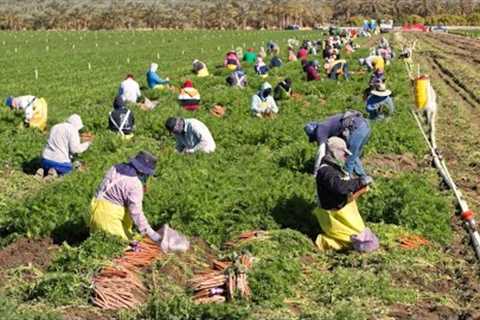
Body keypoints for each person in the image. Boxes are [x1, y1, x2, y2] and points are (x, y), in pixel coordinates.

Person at [314, 137, 378, 252]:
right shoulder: (326, 171)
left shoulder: (334, 168)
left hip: (343, 211)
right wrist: (360, 181)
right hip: (334, 215)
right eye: (344, 153)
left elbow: (344, 185)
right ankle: (324, 241)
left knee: (361, 237)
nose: (346, 156)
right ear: (335, 151)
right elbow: (340, 187)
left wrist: (359, 186)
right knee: (353, 241)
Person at [89, 151, 162, 242]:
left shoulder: (116, 167)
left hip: (95, 210)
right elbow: (136, 212)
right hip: (109, 219)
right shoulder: (135, 184)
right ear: (143, 172)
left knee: (124, 241)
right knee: (122, 249)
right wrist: (150, 233)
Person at [304, 110, 371, 178]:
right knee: (353, 156)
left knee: (349, 157)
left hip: (357, 129)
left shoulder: (320, 129)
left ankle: (348, 180)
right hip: (365, 126)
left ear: (314, 133)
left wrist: (316, 172)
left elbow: (321, 152)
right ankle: (364, 178)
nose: (316, 139)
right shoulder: (326, 125)